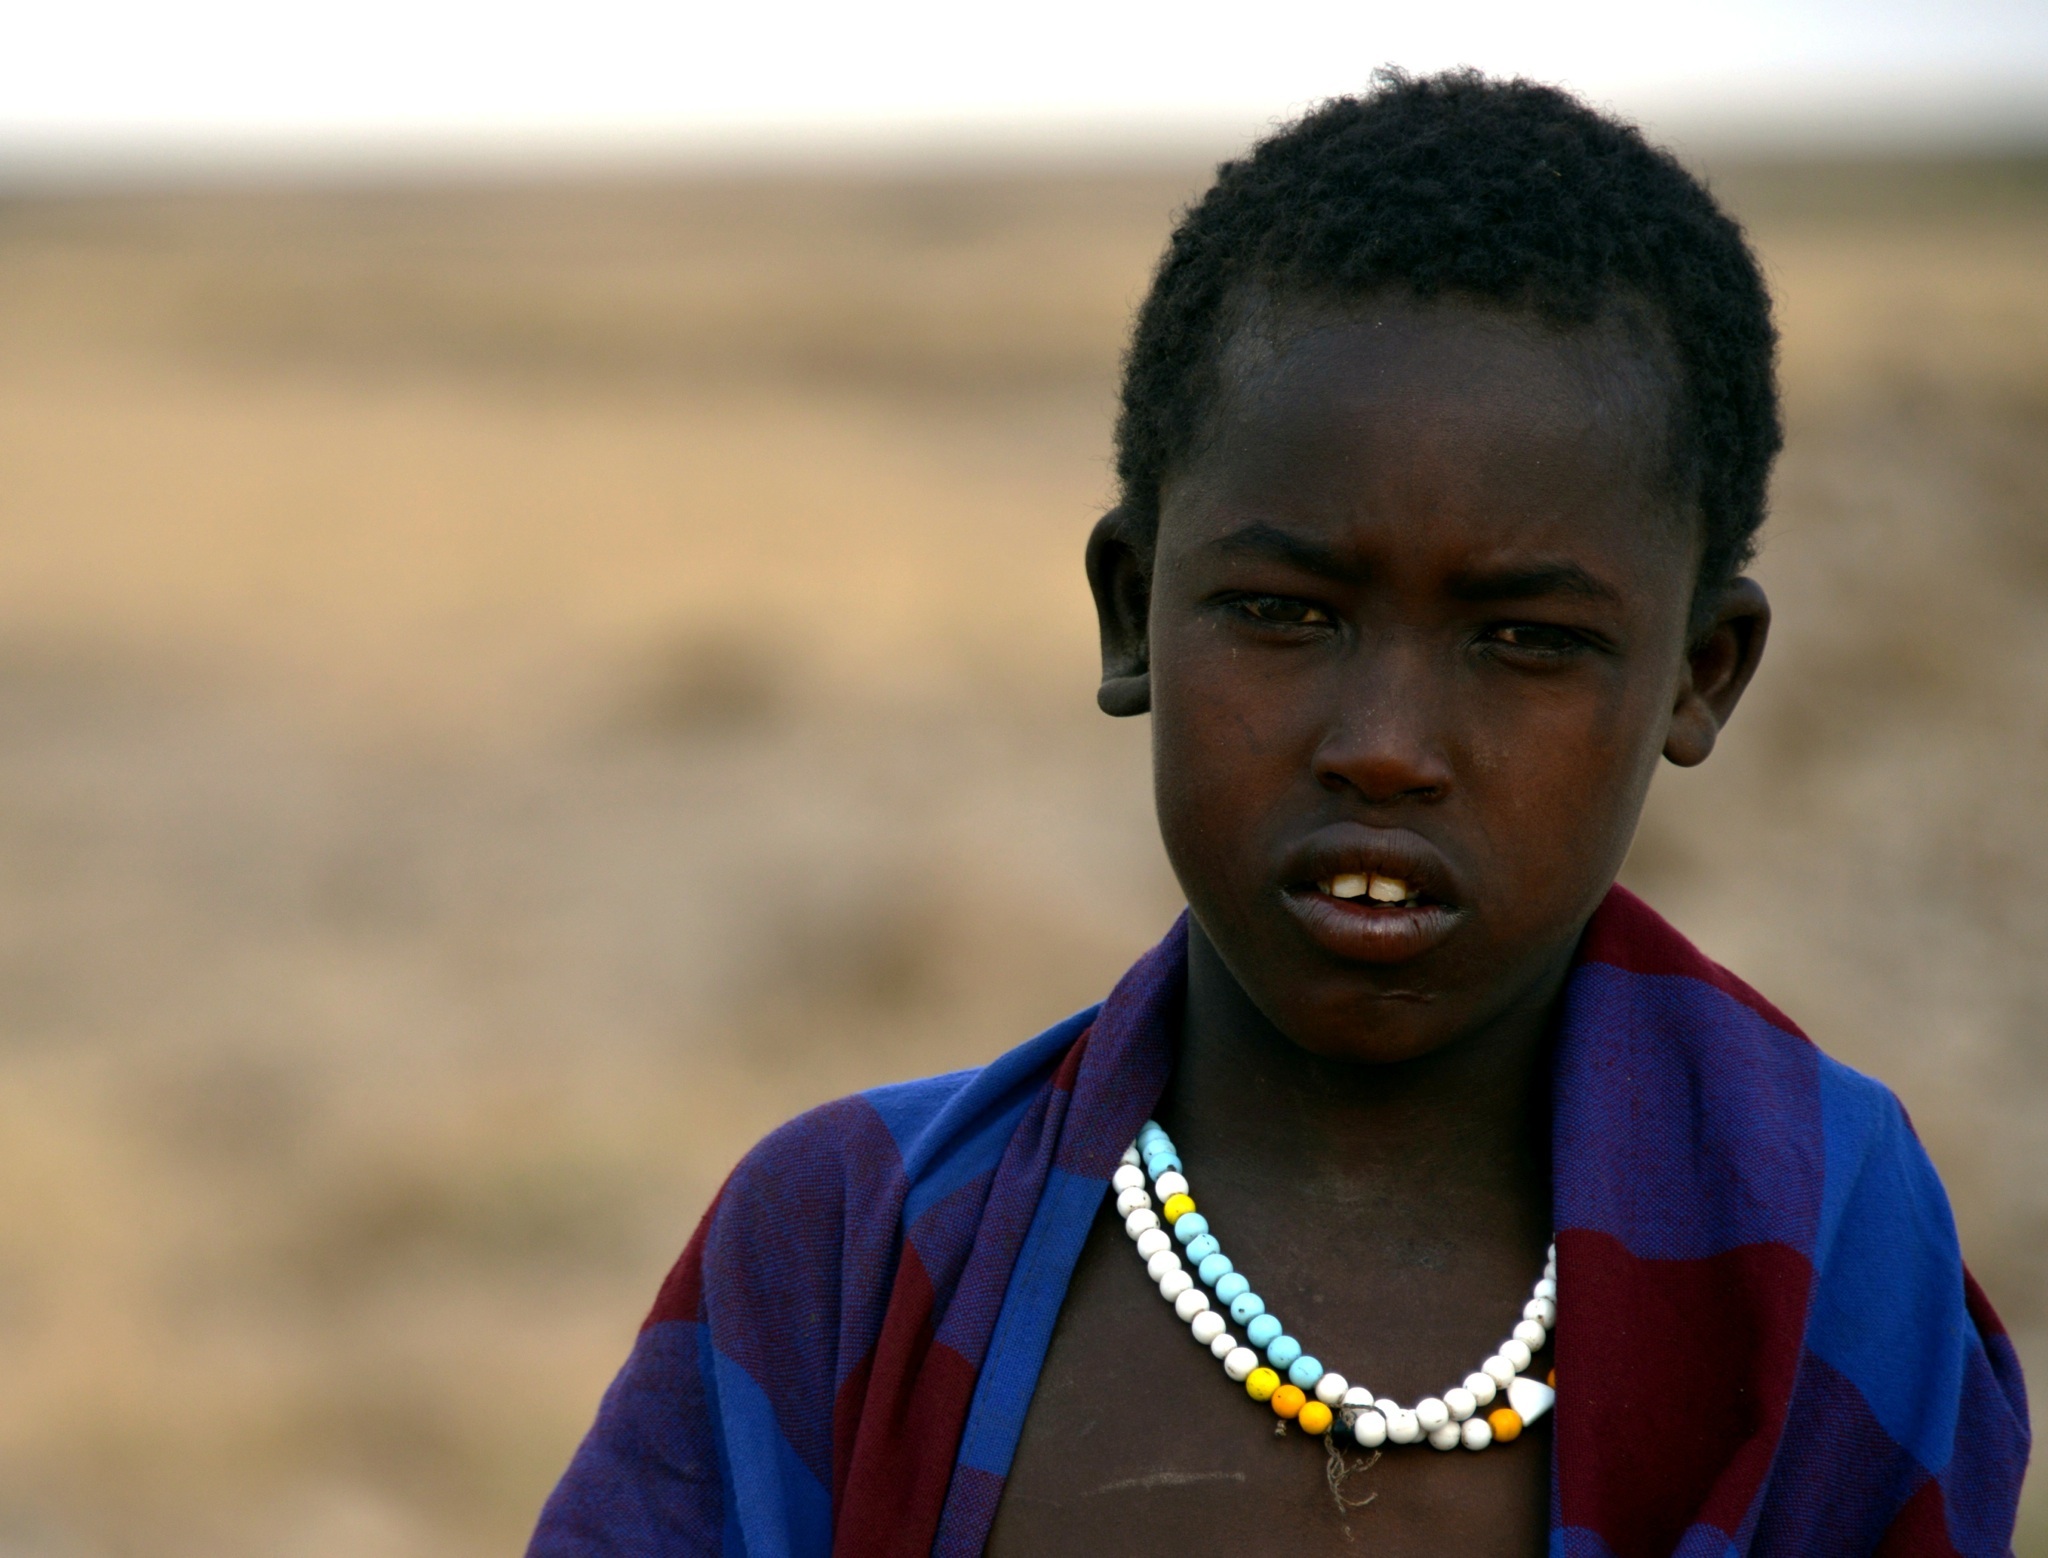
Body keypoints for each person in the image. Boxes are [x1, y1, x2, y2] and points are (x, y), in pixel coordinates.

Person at [528, 71, 2029, 1557]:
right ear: (1132, 614)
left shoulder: (1827, 1255)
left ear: (1700, 677)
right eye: (1284, 612)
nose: (1384, 749)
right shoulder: (847, 1251)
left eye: (1527, 640)